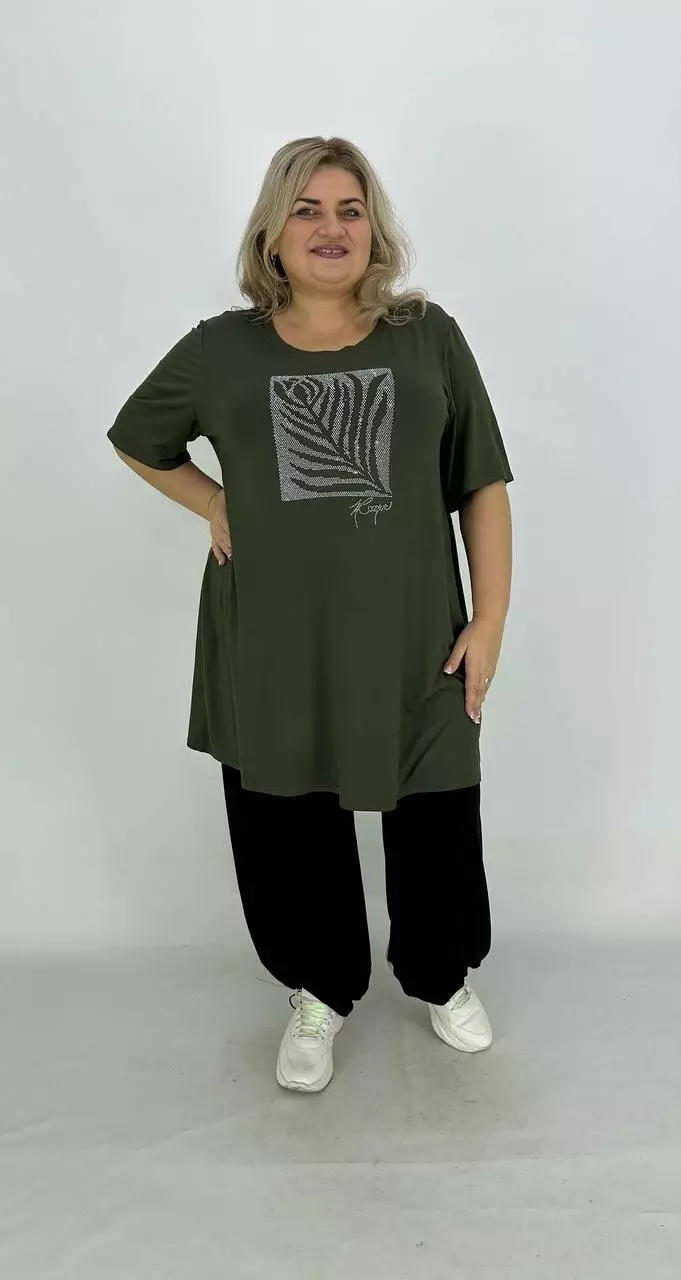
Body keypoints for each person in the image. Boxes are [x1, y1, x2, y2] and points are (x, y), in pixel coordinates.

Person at [107, 135, 514, 1094]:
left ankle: (441, 974)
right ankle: (319, 988)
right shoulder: (220, 349)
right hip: (274, 638)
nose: (331, 228)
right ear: (272, 232)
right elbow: (137, 437)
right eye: (307, 209)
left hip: (415, 636)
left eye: (350, 210)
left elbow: (482, 483)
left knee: (437, 808)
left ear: (374, 229)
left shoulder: (428, 336)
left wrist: (489, 621)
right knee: (290, 816)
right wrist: (214, 501)